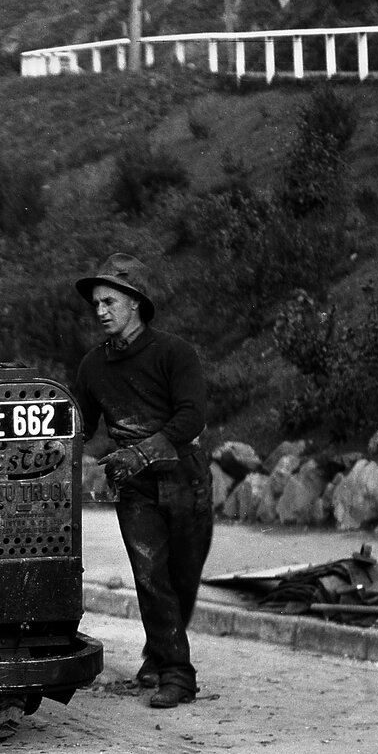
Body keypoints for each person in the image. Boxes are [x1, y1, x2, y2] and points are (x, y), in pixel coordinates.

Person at [71, 253, 213, 710]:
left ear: (135, 302)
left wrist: (142, 450)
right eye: (96, 303)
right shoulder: (93, 367)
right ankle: (177, 675)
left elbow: (191, 415)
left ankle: (158, 655)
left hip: (184, 478)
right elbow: (85, 431)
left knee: (182, 579)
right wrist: (70, 457)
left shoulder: (174, 353)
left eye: (109, 300)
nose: (100, 311)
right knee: (152, 578)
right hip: (135, 489)